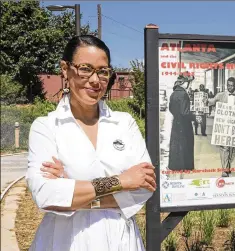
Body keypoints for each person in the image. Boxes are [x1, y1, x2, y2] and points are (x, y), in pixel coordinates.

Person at [26, 35, 156, 251]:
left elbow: (145, 188)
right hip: (65, 240)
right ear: (65, 70)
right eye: (85, 68)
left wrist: (73, 191)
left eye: (103, 71)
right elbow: (45, 194)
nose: (95, 80)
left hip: (120, 240)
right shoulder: (47, 126)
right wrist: (121, 181)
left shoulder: (124, 123)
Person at [206, 77, 235, 177]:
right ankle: (225, 169)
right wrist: (206, 100)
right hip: (224, 126)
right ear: (226, 85)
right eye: (228, 85)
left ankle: (228, 164)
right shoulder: (221, 95)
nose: (230, 87)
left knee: (233, 148)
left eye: (232, 85)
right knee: (224, 148)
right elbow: (212, 101)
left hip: (234, 127)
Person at [168, 74, 195, 177]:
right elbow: (185, 112)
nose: (188, 84)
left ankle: (175, 167)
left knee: (176, 146)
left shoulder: (173, 94)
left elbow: (170, 109)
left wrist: (177, 115)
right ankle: (186, 167)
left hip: (176, 123)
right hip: (184, 124)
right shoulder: (183, 94)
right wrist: (194, 117)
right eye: (188, 82)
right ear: (183, 83)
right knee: (186, 145)